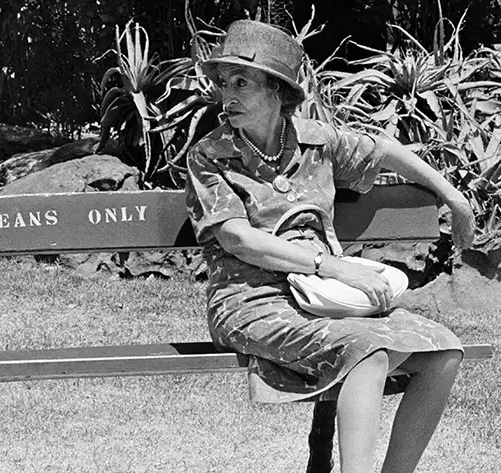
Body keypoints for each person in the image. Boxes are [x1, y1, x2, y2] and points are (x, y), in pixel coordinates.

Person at [186, 20, 476, 473]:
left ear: (279, 92)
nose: (228, 95)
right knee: (366, 349)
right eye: (223, 83)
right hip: (250, 300)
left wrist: (454, 198)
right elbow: (236, 237)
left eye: (242, 82)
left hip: (324, 298)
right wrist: (332, 267)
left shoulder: (315, 141)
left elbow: (384, 150)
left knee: (443, 350)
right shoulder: (210, 154)